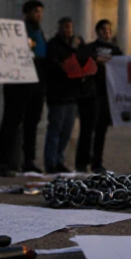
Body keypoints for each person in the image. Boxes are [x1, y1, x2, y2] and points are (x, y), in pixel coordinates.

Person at [0, 0, 47, 176]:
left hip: (36, 83)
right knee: (11, 121)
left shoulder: (40, 33)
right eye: (35, 12)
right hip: (17, 83)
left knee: (32, 123)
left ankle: (29, 161)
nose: (38, 15)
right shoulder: (17, 31)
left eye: (40, 12)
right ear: (26, 14)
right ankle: (4, 162)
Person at [77, 19, 122, 173]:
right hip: (90, 94)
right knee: (87, 130)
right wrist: (97, 60)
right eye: (103, 29)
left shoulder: (116, 50)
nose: (106, 32)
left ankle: (97, 163)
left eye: (109, 29)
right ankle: (82, 163)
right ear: (97, 32)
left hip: (106, 95)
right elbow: (81, 61)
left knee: (101, 131)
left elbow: (125, 66)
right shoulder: (90, 48)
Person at [44, 17, 83, 174]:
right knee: (55, 130)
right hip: (58, 94)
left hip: (72, 95)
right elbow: (54, 65)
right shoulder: (53, 45)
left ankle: (59, 160)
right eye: (65, 27)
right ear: (60, 28)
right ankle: (50, 162)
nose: (68, 30)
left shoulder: (75, 45)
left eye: (70, 27)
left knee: (66, 131)